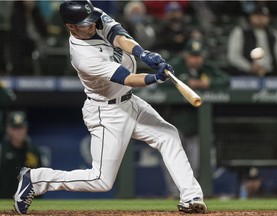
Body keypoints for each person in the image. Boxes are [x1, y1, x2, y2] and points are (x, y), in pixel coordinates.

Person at [13, 1, 207, 214]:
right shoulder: (82, 56)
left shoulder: (93, 17)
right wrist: (154, 78)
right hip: (107, 112)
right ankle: (35, 178)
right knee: (101, 180)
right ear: (71, 26)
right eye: (85, 24)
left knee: (168, 135)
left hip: (129, 102)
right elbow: (128, 78)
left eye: (92, 20)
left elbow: (118, 36)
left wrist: (143, 54)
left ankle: (191, 197)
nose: (92, 24)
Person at [163, 39, 230, 198]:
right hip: (176, 121)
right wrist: (186, 83)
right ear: (186, 55)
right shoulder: (176, 66)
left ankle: (192, 194)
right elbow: (161, 83)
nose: (195, 59)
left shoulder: (207, 67)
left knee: (196, 164)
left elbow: (226, 80)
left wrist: (207, 83)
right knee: (172, 159)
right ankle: (174, 193)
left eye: (198, 56)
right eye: (192, 56)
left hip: (199, 124)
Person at [227, 5, 277, 76]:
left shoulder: (273, 34)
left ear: (268, 18)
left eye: (263, 16)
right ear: (250, 17)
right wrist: (249, 66)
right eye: (256, 15)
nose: (260, 18)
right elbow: (233, 56)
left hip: (270, 74)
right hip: (245, 74)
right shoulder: (240, 32)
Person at [0, 111, 42, 199]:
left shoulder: (33, 150)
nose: (19, 131)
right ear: (9, 129)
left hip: (30, 203)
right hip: (4, 201)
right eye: (15, 128)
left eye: (21, 127)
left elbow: (40, 180)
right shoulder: (2, 150)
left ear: (26, 128)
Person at [10, 1, 48, 75]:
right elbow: (20, 33)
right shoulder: (17, 13)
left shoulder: (35, 12)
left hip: (38, 41)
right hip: (24, 43)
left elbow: (44, 30)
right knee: (18, 47)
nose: (31, 1)